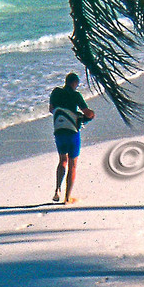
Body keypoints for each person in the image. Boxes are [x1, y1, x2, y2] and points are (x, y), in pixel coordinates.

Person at [49, 71, 94, 203]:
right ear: (74, 83)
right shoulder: (76, 95)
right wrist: (91, 114)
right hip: (72, 132)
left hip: (59, 131)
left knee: (62, 160)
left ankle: (57, 189)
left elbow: (51, 109)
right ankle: (67, 198)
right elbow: (87, 113)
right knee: (72, 164)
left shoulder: (55, 92)